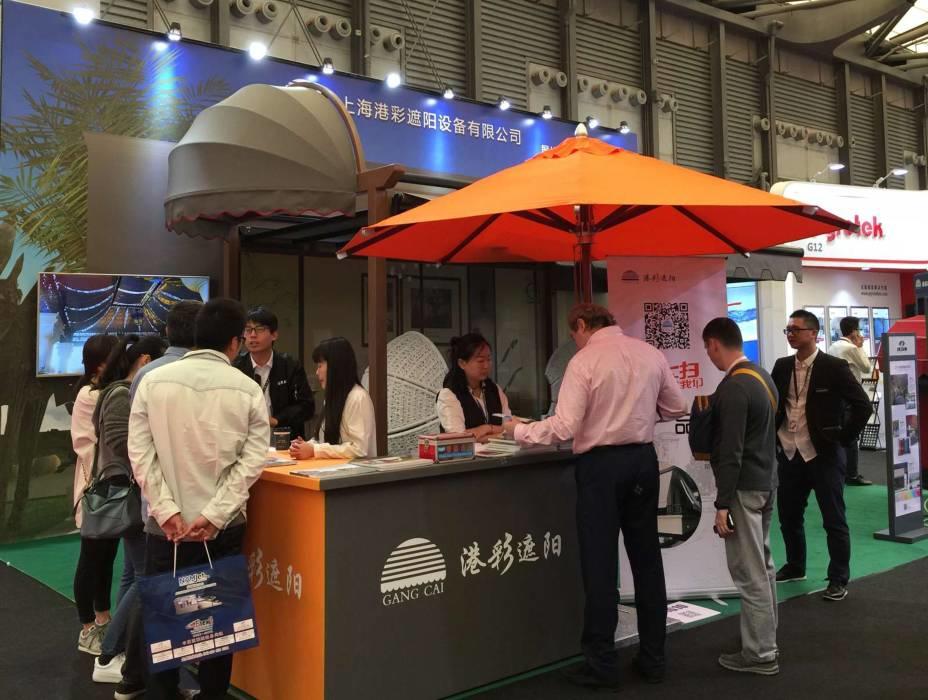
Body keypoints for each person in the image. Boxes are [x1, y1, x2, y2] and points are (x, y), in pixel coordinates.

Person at [502, 304, 687, 690]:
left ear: (582, 325)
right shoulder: (650, 353)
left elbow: (564, 426)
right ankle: (653, 659)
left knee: (600, 566)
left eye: (574, 334)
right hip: (642, 462)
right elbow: (676, 407)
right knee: (647, 560)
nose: (575, 341)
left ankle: (602, 665)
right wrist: (639, 413)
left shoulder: (584, 362)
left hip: (601, 468)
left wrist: (517, 431)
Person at [128, 298, 270, 699]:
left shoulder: (153, 382)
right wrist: (216, 514)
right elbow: (252, 460)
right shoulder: (247, 388)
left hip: (166, 529)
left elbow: (140, 452)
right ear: (235, 342)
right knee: (218, 625)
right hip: (222, 528)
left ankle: (164, 693)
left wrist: (167, 510)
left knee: (164, 621)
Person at [97, 301, 201, 687]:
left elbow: (136, 445)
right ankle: (116, 656)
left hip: (149, 499)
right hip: (167, 502)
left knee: (137, 576)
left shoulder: (144, 378)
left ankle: (127, 662)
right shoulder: (183, 376)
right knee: (151, 584)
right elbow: (133, 444)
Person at [772, 310, 872, 602]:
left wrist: (842, 438)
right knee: (788, 515)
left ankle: (838, 578)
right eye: (788, 330)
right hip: (789, 452)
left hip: (824, 453)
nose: (790, 334)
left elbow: (862, 406)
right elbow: (774, 405)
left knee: (833, 518)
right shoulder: (781, 366)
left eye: (796, 329)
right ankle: (795, 565)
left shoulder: (834, 367)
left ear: (813, 334)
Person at [701, 318, 779, 676]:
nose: (709, 355)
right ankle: (765, 641)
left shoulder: (733, 387)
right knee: (763, 567)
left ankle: (761, 653)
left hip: (744, 488)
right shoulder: (763, 378)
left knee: (749, 573)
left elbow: (731, 451)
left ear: (715, 344)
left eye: (707, 348)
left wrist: (722, 504)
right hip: (766, 481)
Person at [86, 334, 165, 681]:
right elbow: (122, 444)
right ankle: (109, 653)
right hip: (128, 492)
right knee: (147, 576)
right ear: (146, 361)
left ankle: (120, 651)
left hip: (128, 492)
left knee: (133, 574)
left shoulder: (118, 390)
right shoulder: (122, 393)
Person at [70, 334, 119, 656]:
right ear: (100, 363)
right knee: (91, 557)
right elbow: (85, 443)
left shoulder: (110, 391)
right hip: (96, 488)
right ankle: (87, 626)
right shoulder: (90, 394)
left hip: (113, 487)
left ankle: (103, 617)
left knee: (107, 557)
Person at [233, 306, 314, 440]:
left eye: (259, 329)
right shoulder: (236, 367)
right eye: (247, 330)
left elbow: (307, 407)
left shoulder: (289, 365)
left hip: (285, 440)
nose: (252, 335)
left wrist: (276, 420)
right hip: (246, 439)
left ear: (274, 335)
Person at [289, 337, 376, 460]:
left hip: (355, 470)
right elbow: (323, 440)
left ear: (336, 367)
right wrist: (305, 446)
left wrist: (314, 450)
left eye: (320, 365)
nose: (317, 372)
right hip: (331, 468)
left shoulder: (358, 397)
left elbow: (359, 449)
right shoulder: (333, 397)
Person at [436, 333, 511, 441]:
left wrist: (486, 429)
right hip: (466, 452)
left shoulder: (495, 389)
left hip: (500, 451)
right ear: (462, 363)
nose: (486, 365)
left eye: (489, 359)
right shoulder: (449, 395)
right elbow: (459, 438)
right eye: (480, 361)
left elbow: (510, 427)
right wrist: (498, 433)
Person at [827, 316, 875, 486]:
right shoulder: (851, 348)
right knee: (852, 434)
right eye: (859, 330)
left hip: (836, 396)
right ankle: (852, 475)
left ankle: (841, 471)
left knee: (840, 432)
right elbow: (867, 367)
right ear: (854, 331)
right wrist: (860, 346)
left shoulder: (833, 346)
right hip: (851, 396)